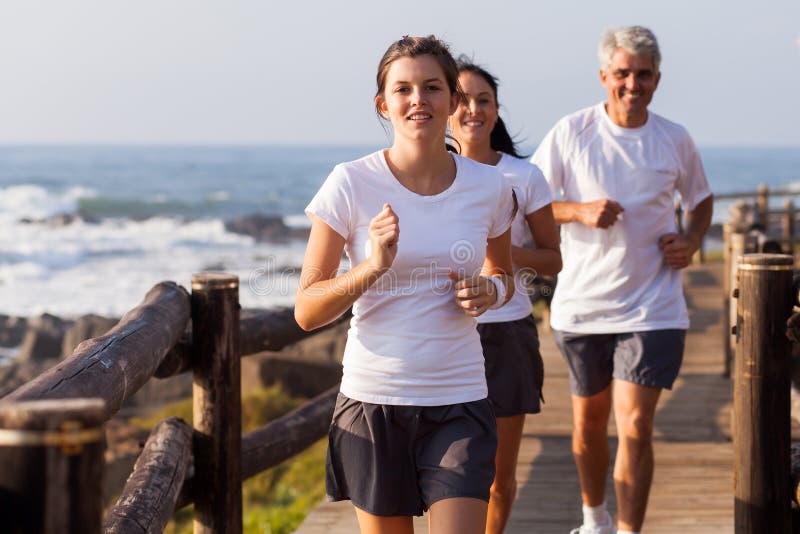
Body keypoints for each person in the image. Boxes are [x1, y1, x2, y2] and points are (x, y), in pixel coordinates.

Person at [295, 36, 517, 534]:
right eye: (404, 89)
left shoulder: (490, 187)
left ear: (454, 101)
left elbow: (503, 275)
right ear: (384, 104)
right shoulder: (350, 183)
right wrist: (372, 266)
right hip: (374, 404)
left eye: (432, 87)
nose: (419, 100)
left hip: (459, 399)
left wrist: (491, 292)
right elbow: (306, 309)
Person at [530, 26, 713, 534]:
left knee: (634, 425)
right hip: (582, 306)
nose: (633, 84)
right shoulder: (572, 132)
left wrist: (692, 239)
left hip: (653, 306)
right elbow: (531, 201)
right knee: (589, 426)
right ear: (604, 76)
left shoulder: (673, 138)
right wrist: (578, 210)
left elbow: (700, 201)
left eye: (644, 74)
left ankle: (629, 530)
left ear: (658, 79)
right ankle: (595, 521)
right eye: (624, 74)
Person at [448, 57, 562, 534]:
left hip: (508, 335)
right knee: (449, 474)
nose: (473, 109)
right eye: (462, 100)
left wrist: (506, 254)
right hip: (445, 338)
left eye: (484, 100)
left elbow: (553, 259)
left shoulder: (524, 177)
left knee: (498, 478)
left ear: (496, 110)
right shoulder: (427, 175)